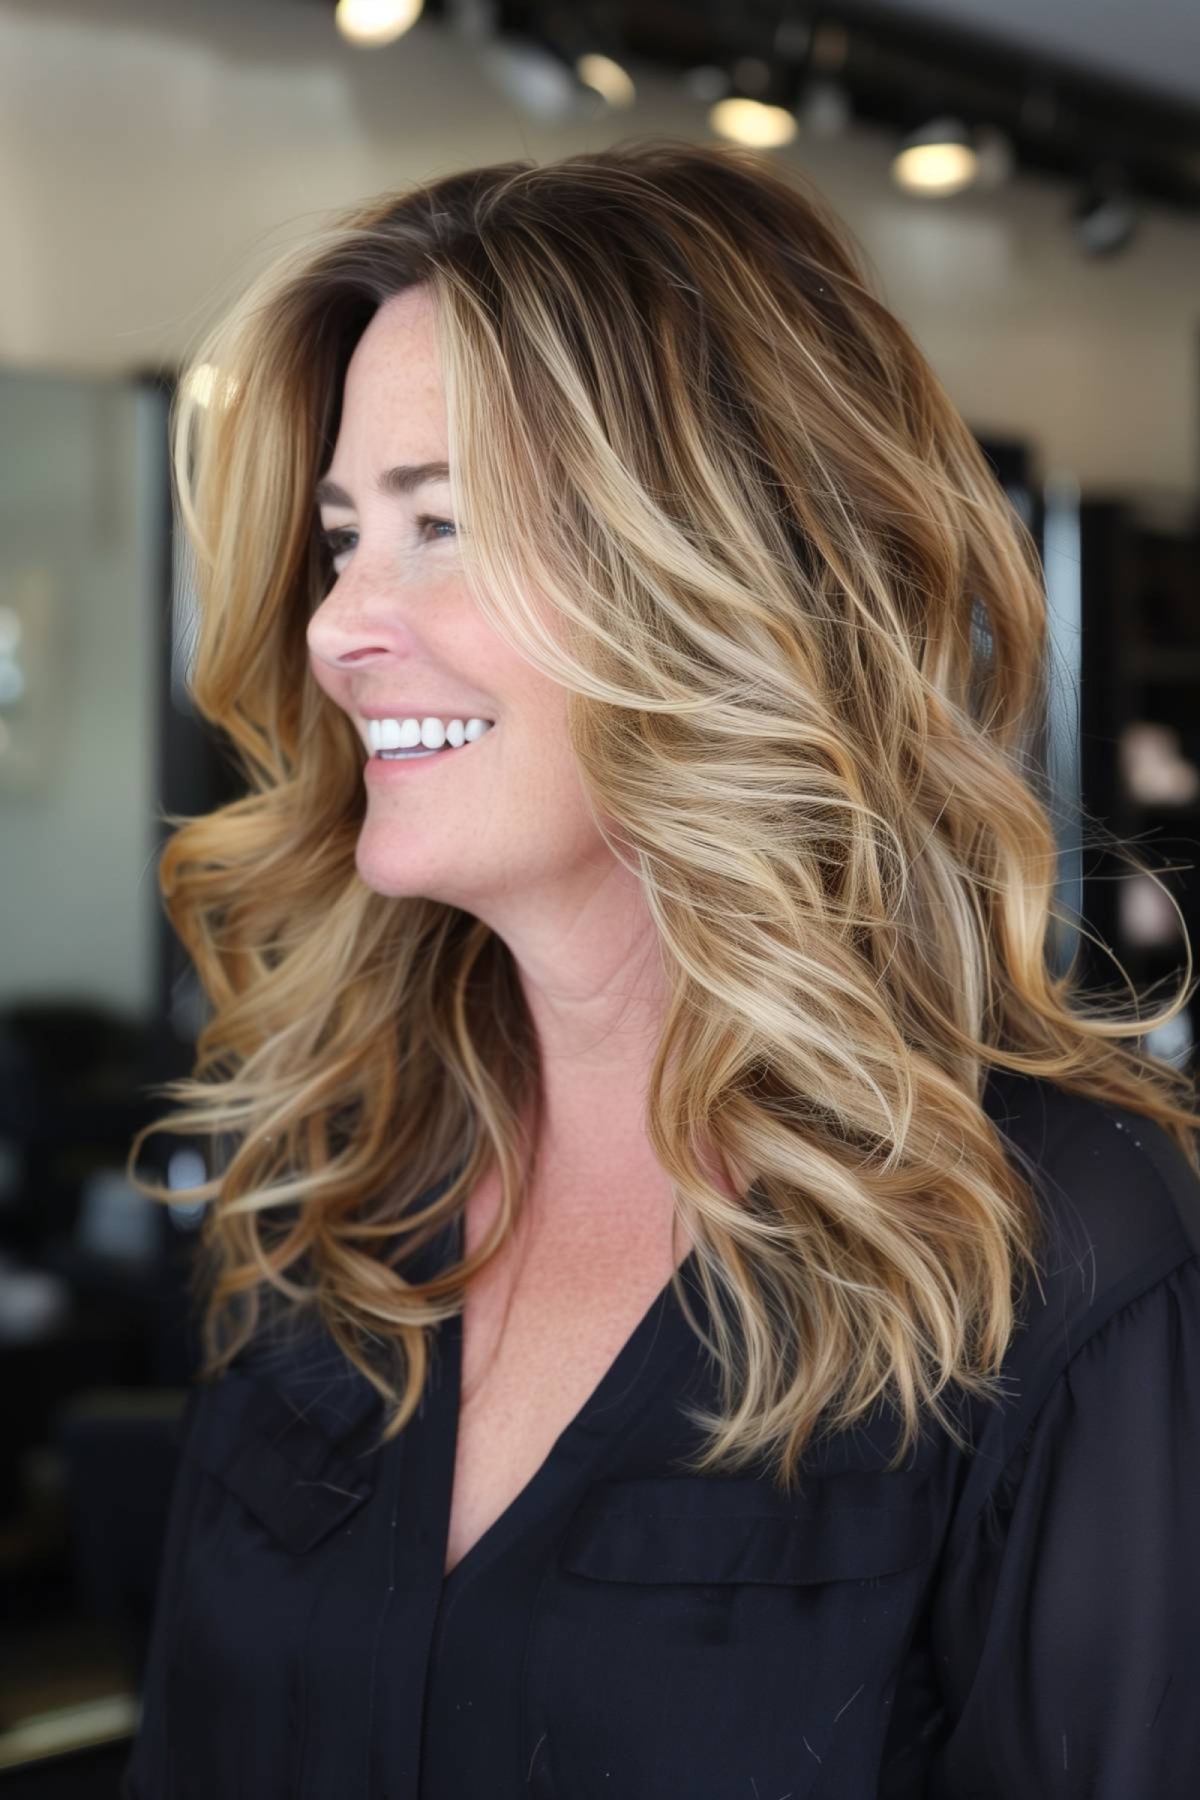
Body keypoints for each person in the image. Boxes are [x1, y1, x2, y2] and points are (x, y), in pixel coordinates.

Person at [122, 138, 1200, 1798]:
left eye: (441, 524)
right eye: (344, 538)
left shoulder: (1064, 1250)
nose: (337, 627)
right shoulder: (331, 1192)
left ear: (722, 576)